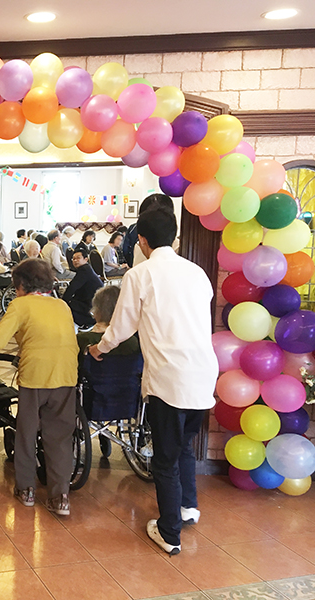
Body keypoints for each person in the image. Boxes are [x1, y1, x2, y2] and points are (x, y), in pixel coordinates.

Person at [88, 206, 218, 556]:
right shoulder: (198, 273)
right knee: (183, 447)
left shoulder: (140, 275)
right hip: (204, 374)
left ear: (142, 241)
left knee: (163, 459)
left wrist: (98, 349)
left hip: (169, 380)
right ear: (174, 237)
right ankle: (188, 508)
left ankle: (169, 533)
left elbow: (120, 327)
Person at [0, 259, 78, 514]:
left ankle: (26, 489)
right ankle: (60, 497)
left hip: (35, 376)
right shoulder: (62, 305)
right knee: (60, 437)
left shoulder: (20, 304)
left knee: (26, 433)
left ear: (22, 285)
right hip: (67, 375)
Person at [76, 286, 139, 368]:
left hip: (92, 380)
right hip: (132, 380)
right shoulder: (134, 340)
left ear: (96, 311)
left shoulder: (81, 339)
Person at [62, 247, 103, 328]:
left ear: (86, 259)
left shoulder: (84, 271)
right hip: (94, 305)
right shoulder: (85, 269)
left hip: (90, 307)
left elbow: (72, 287)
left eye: (78, 258)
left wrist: (62, 302)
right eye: (73, 259)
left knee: (65, 307)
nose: (75, 260)